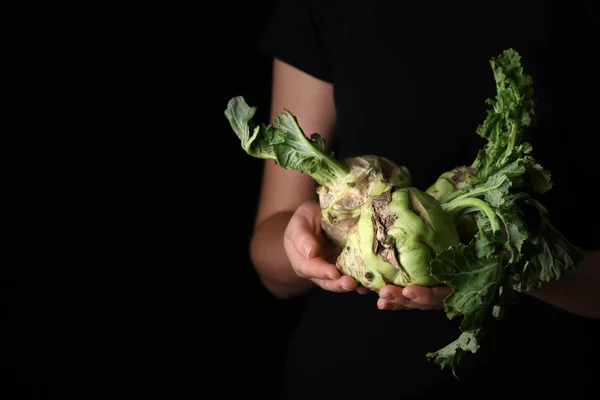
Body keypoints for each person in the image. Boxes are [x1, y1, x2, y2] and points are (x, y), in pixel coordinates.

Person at [248, 1, 600, 398]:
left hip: (550, 375)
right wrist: (310, 246)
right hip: (351, 377)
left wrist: (506, 265)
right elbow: (270, 256)